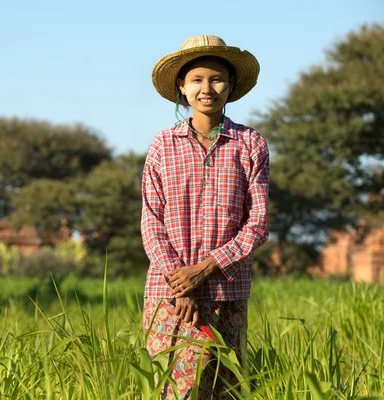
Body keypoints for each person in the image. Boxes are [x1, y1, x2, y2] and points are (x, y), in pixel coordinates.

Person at [141, 35, 270, 399]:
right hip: (168, 295)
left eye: (216, 79)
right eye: (196, 79)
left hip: (227, 291)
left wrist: (205, 268)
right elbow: (152, 221)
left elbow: (257, 224)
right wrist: (180, 283)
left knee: (225, 390)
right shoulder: (162, 145)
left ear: (230, 87)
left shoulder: (250, 144)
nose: (206, 88)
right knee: (175, 390)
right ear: (182, 88)